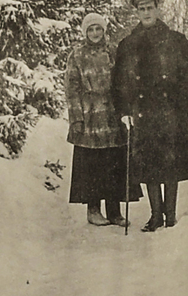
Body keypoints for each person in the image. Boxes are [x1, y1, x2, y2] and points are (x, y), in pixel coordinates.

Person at [112, 0, 188, 232]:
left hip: (170, 112)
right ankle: (156, 216)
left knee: (171, 163)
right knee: (149, 165)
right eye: (141, 9)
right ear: (136, 12)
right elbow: (118, 80)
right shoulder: (128, 44)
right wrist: (124, 110)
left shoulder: (176, 40)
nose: (146, 13)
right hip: (143, 113)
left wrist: (183, 104)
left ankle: (170, 215)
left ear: (157, 8)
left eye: (149, 8)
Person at [65, 13, 142, 227]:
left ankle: (115, 212)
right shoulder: (77, 55)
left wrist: (127, 108)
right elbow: (72, 90)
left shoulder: (114, 52)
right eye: (90, 30)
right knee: (93, 166)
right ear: (85, 32)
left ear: (104, 30)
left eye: (98, 29)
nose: (95, 33)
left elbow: (125, 81)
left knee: (114, 164)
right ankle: (93, 210)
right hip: (89, 118)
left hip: (112, 116)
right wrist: (76, 119)